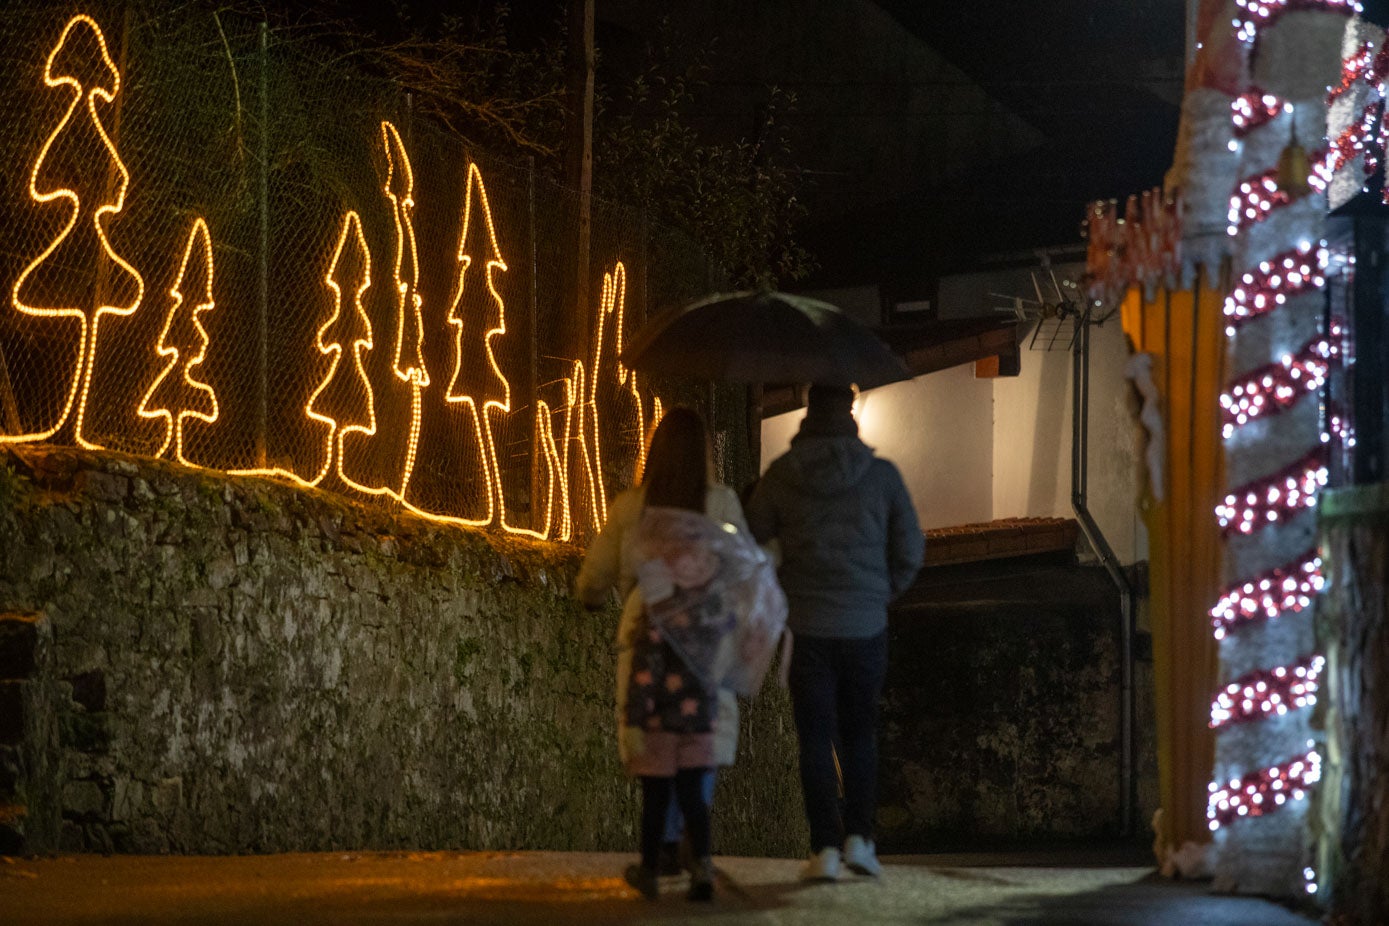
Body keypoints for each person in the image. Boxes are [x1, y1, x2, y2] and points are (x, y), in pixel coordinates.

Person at [745, 382, 923, 881]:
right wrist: (879, 595)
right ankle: (861, 841)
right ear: (850, 411)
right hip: (866, 626)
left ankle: (823, 847)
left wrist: (788, 583)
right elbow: (911, 550)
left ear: (808, 410)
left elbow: (755, 541)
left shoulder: (781, 477)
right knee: (860, 734)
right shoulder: (882, 477)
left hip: (807, 628)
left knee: (815, 738)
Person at [574, 407, 749, 902]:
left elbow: (597, 574)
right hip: (704, 638)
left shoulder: (631, 507)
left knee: (653, 741)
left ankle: (663, 847)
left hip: (646, 630)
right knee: (700, 741)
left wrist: (589, 595)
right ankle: (696, 845)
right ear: (704, 455)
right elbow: (743, 569)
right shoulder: (722, 504)